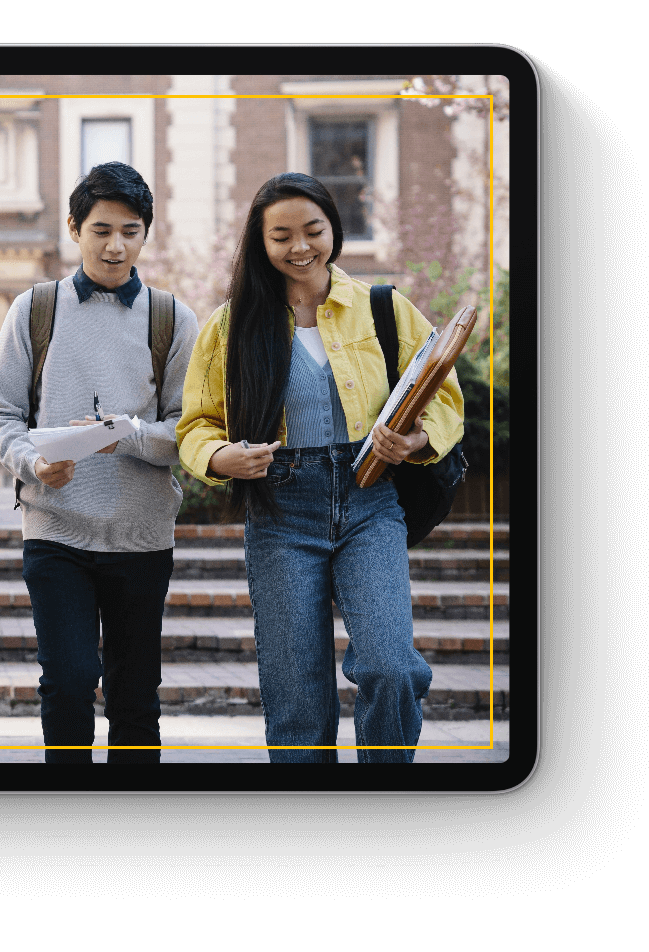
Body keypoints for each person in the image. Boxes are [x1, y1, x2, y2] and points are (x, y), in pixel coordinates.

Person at [176, 172, 463, 763]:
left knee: (390, 667)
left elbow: (445, 395)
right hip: (280, 511)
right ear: (261, 243)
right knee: (298, 705)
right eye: (281, 236)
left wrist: (414, 441)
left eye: (313, 230)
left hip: (370, 501)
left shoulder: (383, 307)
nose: (300, 246)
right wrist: (219, 457)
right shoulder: (231, 326)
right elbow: (197, 424)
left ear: (334, 226)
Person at [0, 162, 198, 763]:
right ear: (75, 228)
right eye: (101, 229)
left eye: (130, 230)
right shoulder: (35, 309)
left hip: (141, 536)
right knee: (70, 683)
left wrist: (124, 435)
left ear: (145, 234)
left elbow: (192, 429)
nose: (115, 244)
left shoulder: (171, 317)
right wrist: (33, 462)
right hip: (56, 531)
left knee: (135, 697)